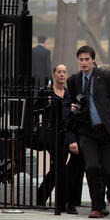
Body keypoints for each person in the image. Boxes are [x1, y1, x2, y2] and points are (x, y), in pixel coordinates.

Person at [65, 45, 110, 219]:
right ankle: (97, 206)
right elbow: (70, 103)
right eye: (81, 59)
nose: (84, 63)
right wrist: (73, 107)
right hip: (87, 131)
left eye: (87, 59)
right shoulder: (73, 80)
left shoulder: (106, 76)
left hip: (107, 131)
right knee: (92, 167)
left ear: (93, 60)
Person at [36, 64, 71, 211]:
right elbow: (35, 110)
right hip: (51, 133)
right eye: (59, 72)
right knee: (60, 166)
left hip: (65, 133)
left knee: (58, 167)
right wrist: (47, 104)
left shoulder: (69, 93)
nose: (62, 74)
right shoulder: (46, 92)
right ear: (54, 74)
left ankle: (43, 196)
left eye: (64, 72)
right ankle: (59, 203)